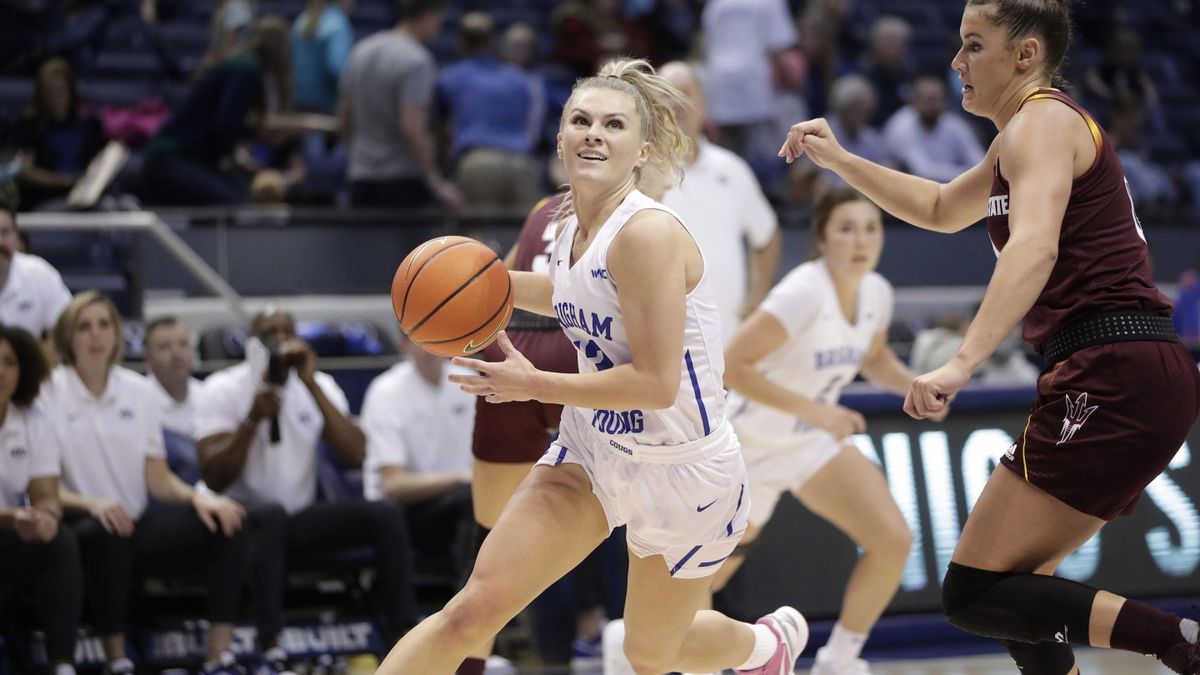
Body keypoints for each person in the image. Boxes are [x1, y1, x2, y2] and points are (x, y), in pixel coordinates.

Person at [778, 1, 1200, 673]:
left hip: (1113, 367)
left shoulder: (1041, 124)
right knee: (1016, 596)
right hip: (1123, 366)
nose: (956, 62)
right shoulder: (1022, 138)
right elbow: (943, 208)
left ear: (1025, 56)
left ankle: (1181, 642)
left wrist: (962, 362)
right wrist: (841, 161)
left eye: (974, 45)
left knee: (975, 588)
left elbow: (1033, 248)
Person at [378, 58, 807, 675]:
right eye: (581, 120)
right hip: (592, 452)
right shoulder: (570, 225)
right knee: (472, 612)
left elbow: (656, 385)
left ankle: (766, 648)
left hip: (684, 472)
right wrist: (479, 284)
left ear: (642, 150)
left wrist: (532, 384)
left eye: (614, 123)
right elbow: (572, 294)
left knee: (650, 653)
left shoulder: (647, 234)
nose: (594, 132)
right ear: (559, 140)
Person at [718, 188, 930, 675]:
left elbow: (872, 357)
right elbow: (733, 365)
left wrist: (918, 387)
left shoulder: (877, 292)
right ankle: (655, 653)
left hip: (808, 442)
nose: (861, 240)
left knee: (892, 539)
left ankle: (838, 660)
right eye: (847, 229)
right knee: (703, 580)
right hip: (747, 445)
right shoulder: (803, 292)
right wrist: (817, 411)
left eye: (871, 228)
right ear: (822, 238)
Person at [195, 307, 416, 670]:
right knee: (271, 516)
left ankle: (403, 638)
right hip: (240, 524)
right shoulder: (222, 388)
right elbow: (214, 475)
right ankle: (271, 647)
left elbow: (357, 455)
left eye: (288, 331)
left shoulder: (319, 384)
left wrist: (311, 385)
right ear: (253, 344)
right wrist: (252, 418)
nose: (282, 339)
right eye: (271, 332)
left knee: (383, 515)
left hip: (297, 520)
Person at [45, 291, 250, 675]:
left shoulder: (137, 391)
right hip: (79, 524)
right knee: (111, 530)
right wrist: (93, 504)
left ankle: (219, 656)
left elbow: (156, 477)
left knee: (227, 521)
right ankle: (117, 659)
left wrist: (198, 499)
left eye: (104, 325)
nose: (96, 335)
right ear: (68, 337)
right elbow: (43, 487)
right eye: (84, 327)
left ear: (117, 334)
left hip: (133, 522)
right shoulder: (49, 391)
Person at [657, 61, 781, 344]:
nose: (675, 102)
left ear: (703, 102)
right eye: (665, 94)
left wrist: (756, 299)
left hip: (727, 339)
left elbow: (767, 235)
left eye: (685, 92)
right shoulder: (641, 171)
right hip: (661, 341)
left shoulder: (732, 169)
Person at [0, 324, 81, 675]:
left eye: (9, 362)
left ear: (24, 371)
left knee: (59, 540)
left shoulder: (34, 420)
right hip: (6, 523)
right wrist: (13, 517)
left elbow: (46, 494)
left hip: (9, 534)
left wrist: (46, 516)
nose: (0, 372)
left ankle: (62, 665)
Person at [340, 0, 463, 210]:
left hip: (361, 177)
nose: (438, 29)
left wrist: (359, 159)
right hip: (403, 181)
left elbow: (344, 117)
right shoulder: (418, 60)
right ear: (429, 15)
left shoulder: (360, 51)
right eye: (438, 21)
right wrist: (434, 180)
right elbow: (411, 128)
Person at [12, 57, 105, 209]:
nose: (56, 99)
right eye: (50, 92)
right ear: (41, 94)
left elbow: (97, 163)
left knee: (117, 206)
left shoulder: (87, 125)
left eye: (60, 91)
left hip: (84, 196)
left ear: (70, 90)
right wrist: (62, 181)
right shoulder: (29, 126)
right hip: (46, 199)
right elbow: (24, 170)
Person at [882, 74, 986, 183]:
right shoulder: (901, 125)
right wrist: (969, 173)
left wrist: (973, 174)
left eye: (937, 100)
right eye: (928, 100)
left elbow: (980, 163)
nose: (932, 105)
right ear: (914, 101)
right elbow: (922, 171)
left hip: (949, 187)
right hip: (905, 189)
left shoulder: (954, 124)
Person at [0, 206, 71, 339]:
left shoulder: (40, 274)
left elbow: (66, 331)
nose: (0, 242)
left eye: (5, 232)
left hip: (30, 359)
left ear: (16, 235)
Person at [143, 316, 203, 439]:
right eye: (164, 346)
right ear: (148, 357)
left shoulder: (208, 395)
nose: (176, 353)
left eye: (183, 344)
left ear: (194, 350)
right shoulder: (136, 401)